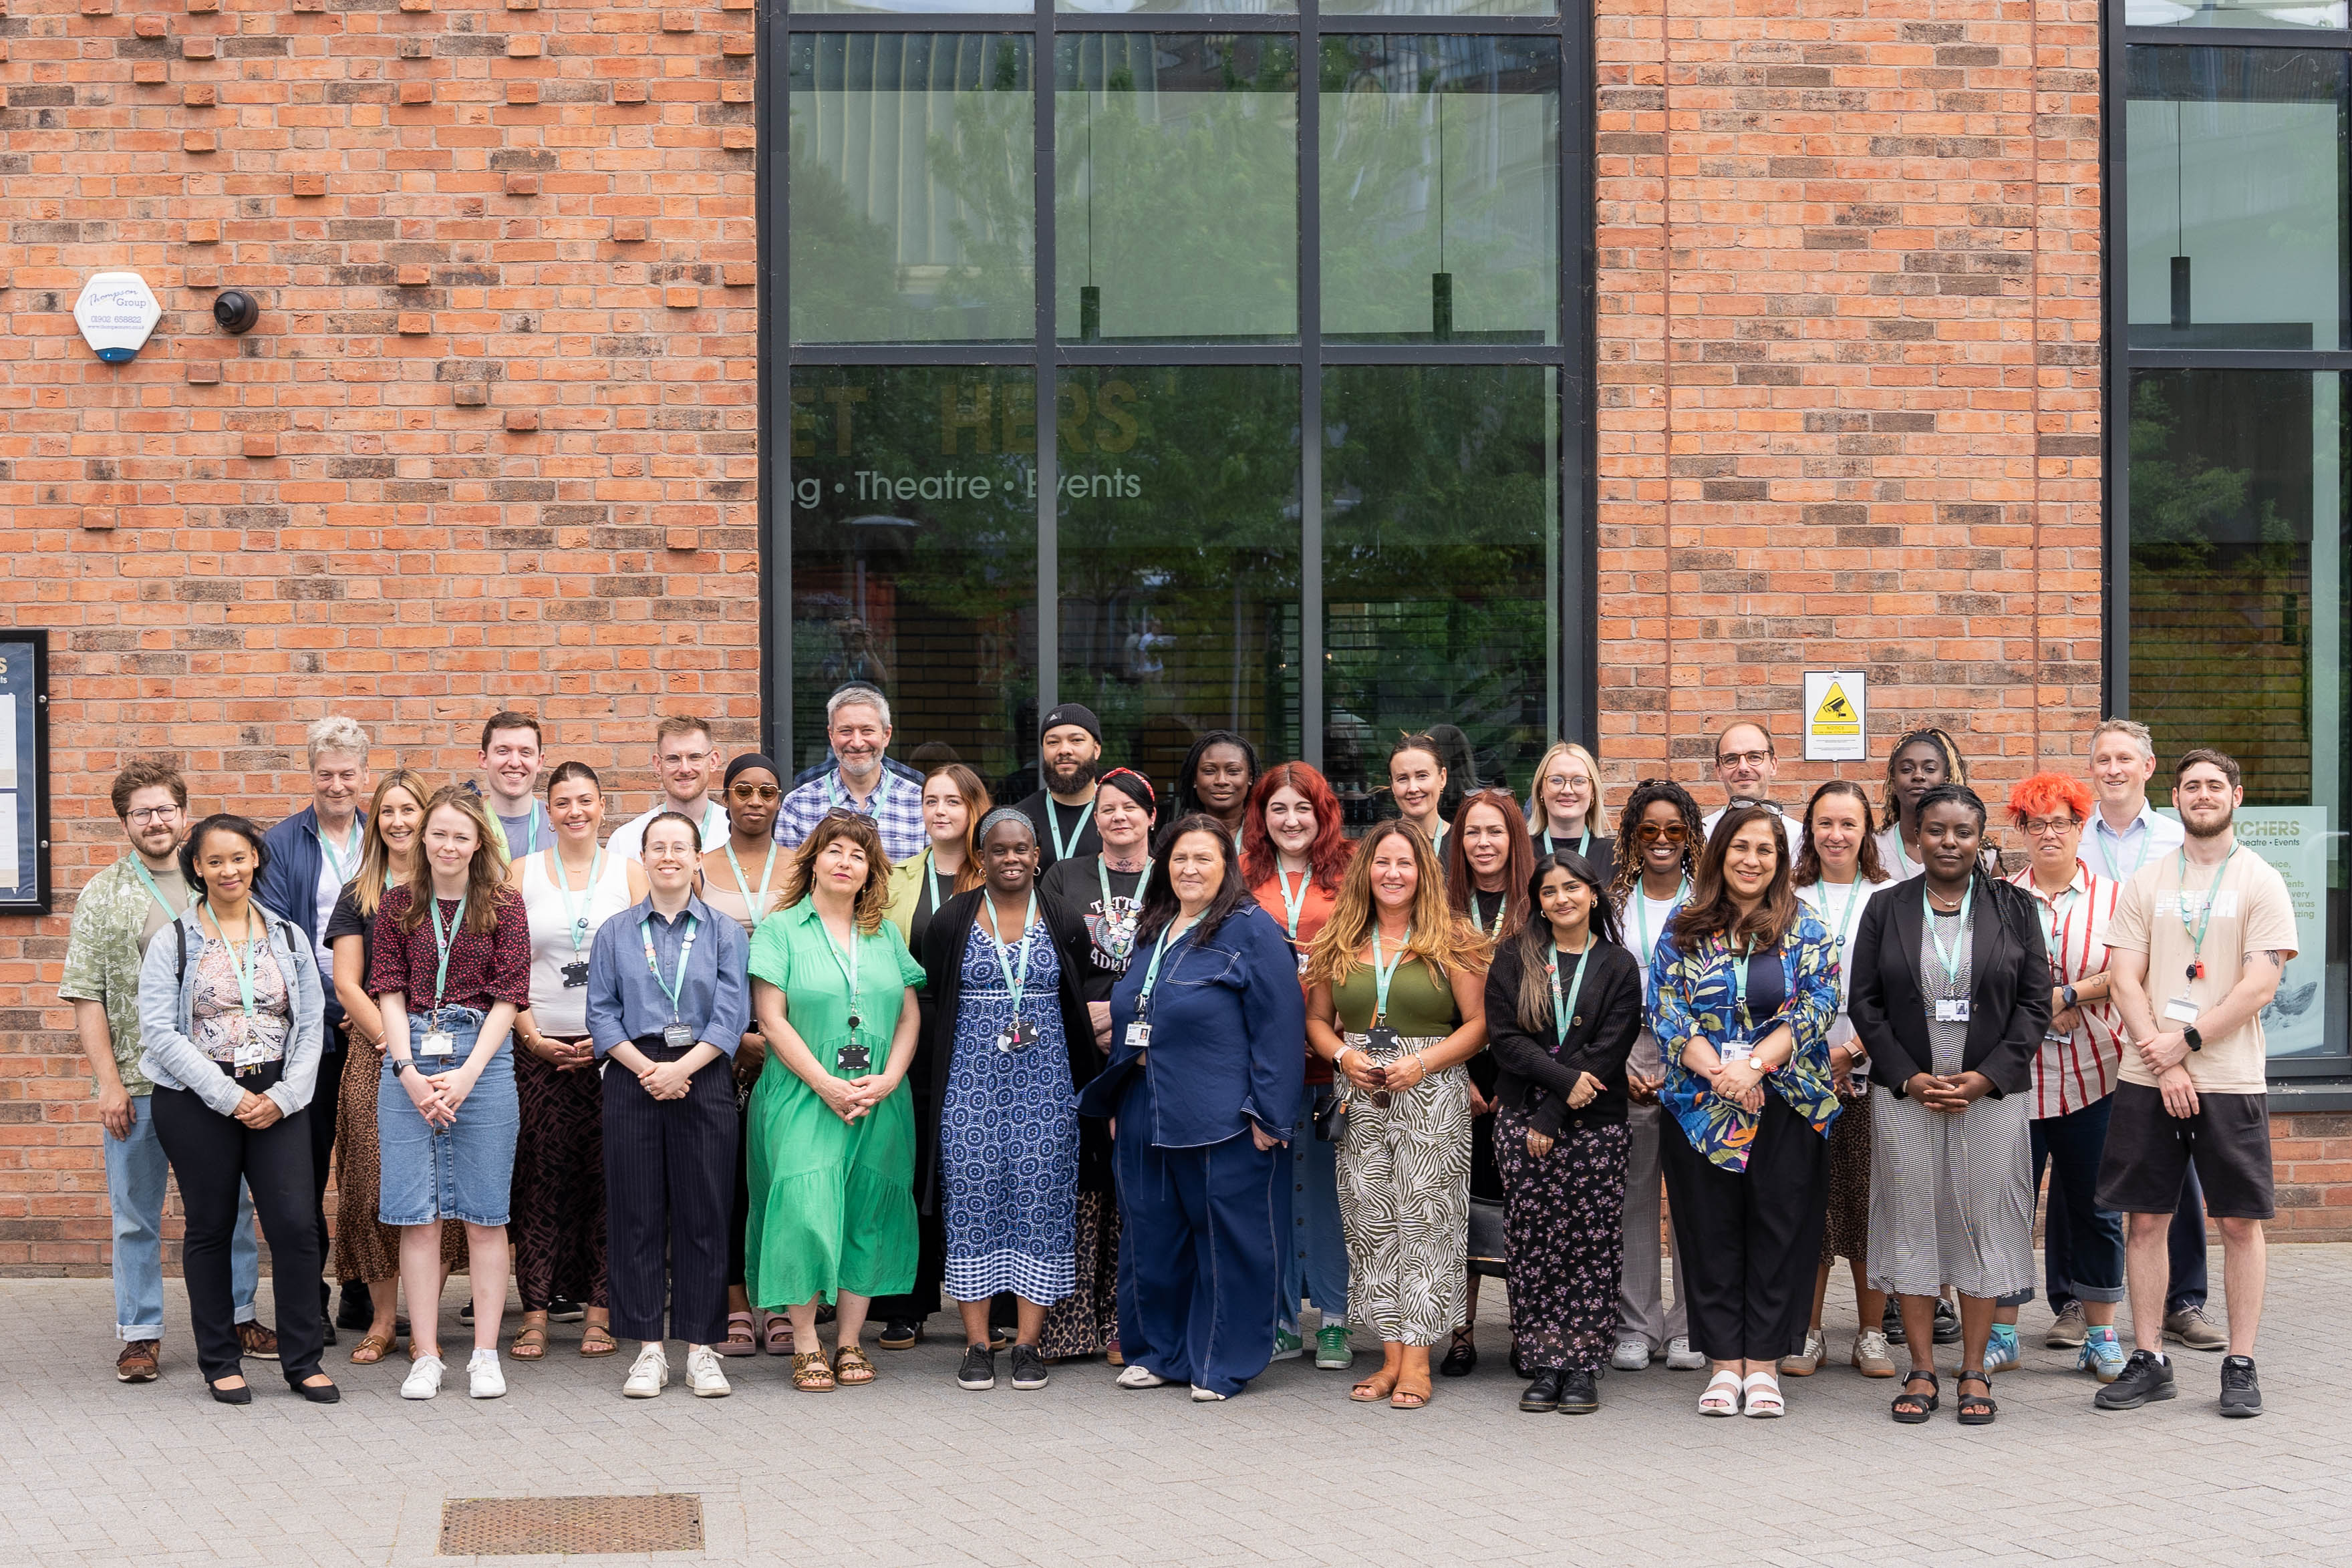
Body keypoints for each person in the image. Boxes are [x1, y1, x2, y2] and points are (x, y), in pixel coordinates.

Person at [2093, 748, 2295, 1419]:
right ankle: (2148, 1357)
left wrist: (2186, 1042)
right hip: (2149, 1076)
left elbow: (2259, 984)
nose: (2202, 795)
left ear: (2236, 796)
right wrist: (2167, 1060)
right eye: (2190, 787)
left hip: (2229, 1076)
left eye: (2214, 785)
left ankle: (2239, 1362)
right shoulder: (2148, 881)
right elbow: (2124, 976)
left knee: (2237, 1221)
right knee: (2145, 1218)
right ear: (2173, 798)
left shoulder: (2260, 880)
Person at [1080, 814, 1304, 1401]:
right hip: (1143, 1108)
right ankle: (1159, 1353)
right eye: (1180, 858)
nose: (1190, 869)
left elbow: (1279, 1030)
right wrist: (1118, 1087)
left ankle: (1222, 1363)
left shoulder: (1253, 930)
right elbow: (1135, 1011)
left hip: (1223, 1118)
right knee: (1152, 1239)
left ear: (1227, 865)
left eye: (1204, 858)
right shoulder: (1156, 927)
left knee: (1227, 1244)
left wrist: (1269, 1115)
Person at [61, 762, 269, 1382]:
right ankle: (141, 1333)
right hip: (142, 1082)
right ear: (125, 821)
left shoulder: (215, 878)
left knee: (230, 1206)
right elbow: (87, 994)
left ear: (184, 813)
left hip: (221, 1081)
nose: (155, 821)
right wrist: (108, 1082)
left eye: (165, 810)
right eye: (141, 813)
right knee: (135, 1213)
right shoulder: (104, 893)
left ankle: (238, 1314)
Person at [1848, 783, 2047, 1426]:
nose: (1949, 842)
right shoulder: (1887, 907)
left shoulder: (2016, 908)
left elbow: (2035, 1005)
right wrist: (1906, 1076)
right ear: (1917, 834)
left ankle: (1974, 1368)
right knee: (1912, 1217)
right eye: (1936, 830)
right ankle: (1923, 1368)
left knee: (1982, 1220)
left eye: (1963, 831)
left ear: (1980, 837)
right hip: (1907, 1095)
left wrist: (1988, 1076)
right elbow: (1866, 1002)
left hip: (1988, 1098)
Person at [135, 814, 337, 1404]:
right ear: (196, 866)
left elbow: (308, 1024)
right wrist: (229, 1096)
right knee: (212, 1227)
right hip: (197, 1098)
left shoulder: (289, 936)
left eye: (240, 857)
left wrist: (280, 1097)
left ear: (256, 860)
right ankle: (220, 1359)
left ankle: (303, 1362)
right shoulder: (172, 939)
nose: (230, 869)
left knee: (296, 1227)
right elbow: (160, 1034)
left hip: (279, 1095)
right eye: (215, 860)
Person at [1648, 805, 1841, 1418]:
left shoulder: (1806, 926)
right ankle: (1722, 1364)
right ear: (1719, 854)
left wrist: (1754, 1066)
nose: (1751, 859)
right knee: (1710, 1233)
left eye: (1765, 849)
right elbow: (1666, 1010)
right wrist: (1720, 1073)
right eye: (1740, 847)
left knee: (1780, 1231)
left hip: (1786, 1100)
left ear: (1781, 860)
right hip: (1702, 1107)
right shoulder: (1683, 927)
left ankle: (1763, 1364)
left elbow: (1817, 1005)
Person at [1304, 819, 1489, 1410]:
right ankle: (1387, 1357)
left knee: (1427, 1225)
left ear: (1423, 873)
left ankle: (1417, 1360)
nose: (1392, 873)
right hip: (1361, 1091)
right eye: (1382, 862)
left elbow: (1481, 1026)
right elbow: (1315, 1020)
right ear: (1366, 871)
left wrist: (1425, 1062)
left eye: (1405, 863)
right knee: (1372, 1225)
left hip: (1430, 1092)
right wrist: (1342, 1053)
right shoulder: (1341, 937)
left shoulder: (1451, 937)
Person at [745, 812, 927, 1392]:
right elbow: (770, 1020)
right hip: (803, 1092)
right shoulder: (781, 929)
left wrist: (892, 1077)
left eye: (859, 854)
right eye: (835, 850)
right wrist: (825, 1082)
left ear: (872, 870)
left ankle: (848, 1342)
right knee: (803, 1209)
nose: (846, 861)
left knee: (865, 1212)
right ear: (815, 860)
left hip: (878, 1098)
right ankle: (805, 1342)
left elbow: (908, 1015)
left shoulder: (885, 934)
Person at [917, 810, 1098, 1392]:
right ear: (983, 856)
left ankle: (1025, 1343)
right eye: (999, 850)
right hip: (969, 1083)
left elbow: (1078, 991)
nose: (1012, 858)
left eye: (1022, 848)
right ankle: (976, 1344)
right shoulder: (952, 919)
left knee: (1041, 1204)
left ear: (1037, 853)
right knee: (971, 1202)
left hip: (1048, 1088)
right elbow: (935, 995)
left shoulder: (1064, 917)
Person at [368, 786, 533, 1402]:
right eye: (438, 832)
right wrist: (407, 1071)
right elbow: (387, 988)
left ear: (479, 843)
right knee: (419, 1215)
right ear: (423, 836)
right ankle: (428, 1355)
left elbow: (509, 996)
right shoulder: (395, 905)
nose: (447, 844)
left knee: (486, 1215)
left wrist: (467, 1075)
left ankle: (485, 1354)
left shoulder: (504, 906)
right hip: (410, 1052)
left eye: (461, 835)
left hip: (483, 1060)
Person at [584, 811, 752, 1399]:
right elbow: (601, 1012)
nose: (669, 856)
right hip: (634, 1075)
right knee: (637, 1213)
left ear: (697, 857)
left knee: (704, 1212)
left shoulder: (725, 932)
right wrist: (649, 1069)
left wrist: (680, 1069)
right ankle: (649, 1350)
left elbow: (732, 1016)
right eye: (658, 847)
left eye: (680, 846)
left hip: (701, 1075)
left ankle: (702, 1348)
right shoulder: (614, 931)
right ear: (645, 858)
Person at [1485, 850, 1644, 1414]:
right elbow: (1506, 1039)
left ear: (1593, 894)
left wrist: (1554, 1114)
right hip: (1519, 1120)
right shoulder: (1514, 956)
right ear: (1540, 903)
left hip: (1594, 1125)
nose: (1562, 898)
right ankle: (1541, 1357)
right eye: (1550, 891)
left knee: (1589, 1242)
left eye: (1572, 887)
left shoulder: (1620, 965)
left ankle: (1581, 1362)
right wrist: (1554, 1091)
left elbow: (1609, 1047)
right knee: (1533, 1241)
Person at [324, 769, 470, 1364]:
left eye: (410, 809)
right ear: (375, 821)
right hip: (377, 1051)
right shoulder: (360, 893)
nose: (399, 820)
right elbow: (346, 982)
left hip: (449, 1052)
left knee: (441, 1186)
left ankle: (423, 1323)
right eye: (387, 810)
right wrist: (394, 1038)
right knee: (375, 1185)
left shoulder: (458, 886)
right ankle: (384, 1320)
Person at [2083, 718, 2216, 1354]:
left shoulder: (2175, 837)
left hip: (2163, 1018)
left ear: (2148, 766)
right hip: (2084, 1019)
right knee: (2091, 1162)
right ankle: (2076, 1300)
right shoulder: (2071, 834)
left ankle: (2184, 1301)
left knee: (2176, 1164)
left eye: (2124, 759)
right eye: (2103, 759)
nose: (2113, 769)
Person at [1992, 772, 2129, 1383]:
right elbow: (1984, 981)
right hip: (2016, 1083)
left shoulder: (2117, 898)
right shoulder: (1999, 899)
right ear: (2021, 829)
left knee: (2097, 1208)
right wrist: (2039, 1002)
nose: (2050, 833)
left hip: (2094, 1077)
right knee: (2002, 1210)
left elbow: (2133, 970)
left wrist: (2071, 991)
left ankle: (2101, 1336)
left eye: (2062, 821)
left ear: (2081, 827)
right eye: (2036, 822)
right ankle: (2000, 1332)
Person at [504, 762, 639, 1364]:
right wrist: (531, 1036)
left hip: (614, 1055)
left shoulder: (629, 874)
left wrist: (615, 1039)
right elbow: (505, 967)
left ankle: (600, 1312)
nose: (575, 811)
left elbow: (648, 969)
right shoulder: (520, 872)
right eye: (563, 802)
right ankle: (533, 1312)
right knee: (537, 1181)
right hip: (539, 1051)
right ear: (549, 809)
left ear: (602, 804)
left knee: (607, 1182)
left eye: (586, 800)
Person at [1032, 766, 1157, 1362]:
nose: (1119, 817)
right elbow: (1048, 956)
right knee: (1082, 1181)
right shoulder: (1065, 876)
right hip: (1079, 1044)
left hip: (1154, 1049)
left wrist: (1129, 1017)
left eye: (1131, 808)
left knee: (1132, 1181)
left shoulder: (1171, 875)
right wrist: (1090, 1020)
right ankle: (1071, 1323)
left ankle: (1123, 1320)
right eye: (1108, 808)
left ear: (1151, 816)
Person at [253, 715, 371, 1339]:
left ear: (364, 775)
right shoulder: (280, 843)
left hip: (381, 1026)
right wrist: (335, 1002)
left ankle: (363, 1292)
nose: (336, 784)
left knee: (370, 1168)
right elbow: (275, 937)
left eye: (347, 773)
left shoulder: (385, 834)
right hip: (313, 1032)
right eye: (325, 773)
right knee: (308, 1169)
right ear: (311, 774)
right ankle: (311, 1303)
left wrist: (372, 1007)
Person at [872, 762, 991, 1352]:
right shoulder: (896, 877)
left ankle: (987, 1304)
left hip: (984, 1033)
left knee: (975, 1164)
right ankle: (908, 1303)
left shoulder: (1000, 870)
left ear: (975, 807)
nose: (940, 810)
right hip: (915, 1031)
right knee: (912, 1160)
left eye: (952, 801)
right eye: (930, 801)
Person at [1783, 781, 1897, 1380]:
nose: (1835, 834)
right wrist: (1810, 1054)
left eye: (1848, 823)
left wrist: (1853, 1050)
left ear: (1867, 830)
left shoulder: (1892, 895)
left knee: (1868, 1204)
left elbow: (1903, 991)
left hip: (1872, 1068)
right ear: (1809, 829)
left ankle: (1872, 1334)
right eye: (1824, 823)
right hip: (1796, 1071)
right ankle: (1806, 1331)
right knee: (1809, 1205)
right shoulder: (1787, 896)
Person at [1243, 762, 1354, 1372]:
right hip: (1265, 1063)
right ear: (1262, 816)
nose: (1291, 820)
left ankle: (1334, 1320)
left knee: (1335, 1196)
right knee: (1275, 1194)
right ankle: (1284, 1318)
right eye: (1278, 809)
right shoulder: (1242, 877)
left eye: (1302, 809)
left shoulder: (1349, 872)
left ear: (1323, 813)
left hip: (1334, 1061)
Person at [1603, 780, 1705, 1373]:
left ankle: (1692, 1326)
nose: (1662, 841)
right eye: (1649, 831)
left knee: (1692, 1198)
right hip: (1628, 1058)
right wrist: (1620, 1064)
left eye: (1674, 830)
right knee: (1633, 1198)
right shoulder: (1612, 906)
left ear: (1691, 836)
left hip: (1695, 1064)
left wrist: (1685, 1061)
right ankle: (1637, 1325)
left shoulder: (1711, 902)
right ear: (1632, 838)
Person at [699, 754, 793, 1358]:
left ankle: (781, 1301)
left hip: (790, 1039)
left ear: (780, 799)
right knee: (727, 1179)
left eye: (767, 790)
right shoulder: (701, 869)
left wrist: (775, 1035)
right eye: (742, 790)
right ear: (725, 797)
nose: (755, 800)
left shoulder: (801, 868)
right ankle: (735, 1299)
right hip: (717, 1040)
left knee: (782, 1174)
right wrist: (734, 1037)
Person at [1439, 787, 1533, 1378]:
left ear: (1514, 838)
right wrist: (1458, 1074)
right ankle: (1461, 1333)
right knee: (1457, 1207)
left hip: (1524, 1078)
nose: (1483, 843)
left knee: (1524, 1208)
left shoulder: (1539, 904)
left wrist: (1519, 1080)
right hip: (1455, 1074)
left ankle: (1527, 1331)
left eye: (1494, 831)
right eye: (1472, 832)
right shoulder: (1440, 907)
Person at [774, 687, 926, 865]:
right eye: (846, 731)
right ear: (831, 736)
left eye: (867, 731)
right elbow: (789, 883)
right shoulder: (799, 804)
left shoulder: (919, 803)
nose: (857, 743)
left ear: (886, 735)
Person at [609, 715, 730, 860]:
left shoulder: (734, 833)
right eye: (673, 759)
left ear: (713, 761)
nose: (685, 769)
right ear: (658, 764)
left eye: (695, 757)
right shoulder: (625, 841)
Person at [1014, 703, 1106, 870]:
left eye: (1076, 740)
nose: (1064, 750)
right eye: (1053, 742)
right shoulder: (1019, 819)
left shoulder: (1118, 816)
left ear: (1096, 750)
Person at [1876, 726, 1971, 881]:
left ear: (1946, 780)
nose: (1918, 776)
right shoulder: (1873, 848)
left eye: (1930, 769)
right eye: (1907, 769)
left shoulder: (1978, 853)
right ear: (1893, 782)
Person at [1701, 721, 1805, 854]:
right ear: (1719, 771)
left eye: (1755, 757)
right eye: (1731, 759)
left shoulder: (1800, 839)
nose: (1743, 768)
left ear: (1773, 765)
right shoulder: (1700, 835)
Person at [1527, 740, 1615, 887]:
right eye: (1556, 780)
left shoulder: (1614, 856)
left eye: (1579, 781)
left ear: (1593, 792)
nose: (1567, 790)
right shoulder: (1521, 851)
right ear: (1541, 790)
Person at [474, 710, 552, 862]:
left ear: (539, 762)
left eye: (525, 752)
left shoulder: (561, 824)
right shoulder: (466, 822)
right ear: (484, 759)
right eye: (503, 751)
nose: (515, 763)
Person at [1173, 730, 1260, 847]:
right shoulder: (1174, 835)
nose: (1221, 781)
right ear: (1195, 779)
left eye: (1233, 771)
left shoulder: (1268, 834)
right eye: (1209, 771)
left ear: (1250, 777)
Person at [1384, 733, 1451, 855]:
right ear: (1392, 785)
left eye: (1422, 776)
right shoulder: (1379, 847)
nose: (1413, 788)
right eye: (1402, 779)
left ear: (1442, 778)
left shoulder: (1463, 844)